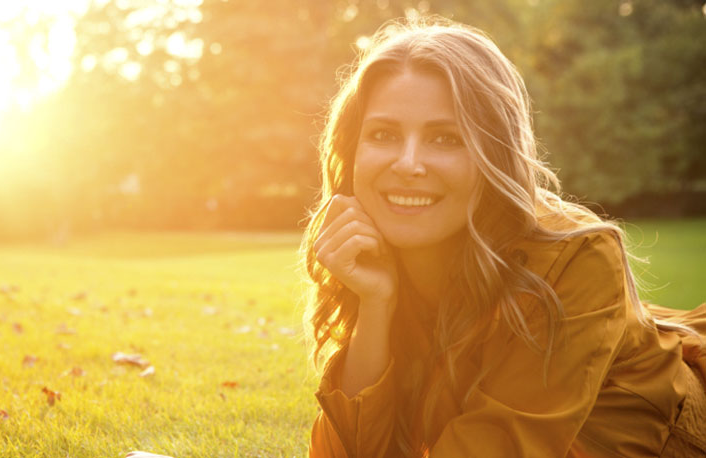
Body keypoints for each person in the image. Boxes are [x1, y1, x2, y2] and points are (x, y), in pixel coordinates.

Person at [302, 17, 706, 457]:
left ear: (494, 153)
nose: (408, 163)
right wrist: (375, 305)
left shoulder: (577, 256)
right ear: (351, 150)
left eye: (445, 138)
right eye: (383, 134)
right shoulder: (375, 252)